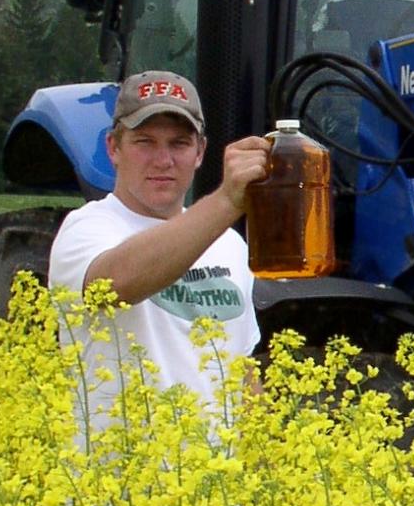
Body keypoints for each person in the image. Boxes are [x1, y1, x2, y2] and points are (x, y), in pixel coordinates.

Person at [48, 70, 271, 432]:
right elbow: (115, 283)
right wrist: (228, 201)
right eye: (145, 142)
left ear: (200, 152)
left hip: (214, 483)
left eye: (179, 144)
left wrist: (272, 463)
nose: (163, 160)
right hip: (120, 483)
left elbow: (241, 369)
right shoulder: (85, 230)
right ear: (113, 148)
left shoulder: (229, 243)